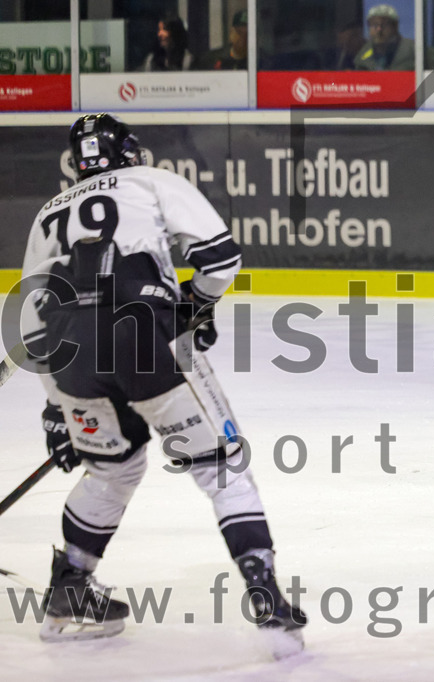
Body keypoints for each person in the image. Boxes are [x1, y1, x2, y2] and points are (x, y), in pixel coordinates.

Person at [22, 114, 306, 654]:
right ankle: (265, 597)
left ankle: (71, 587)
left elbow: (33, 324)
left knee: (111, 470)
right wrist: (193, 308)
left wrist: (57, 409)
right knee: (221, 468)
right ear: (128, 151)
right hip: (142, 336)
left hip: (72, 357)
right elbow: (221, 259)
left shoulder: (46, 215)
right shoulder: (152, 181)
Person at [354, 4, 434, 71]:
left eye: (384, 24)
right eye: (374, 25)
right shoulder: (363, 53)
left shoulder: (416, 50)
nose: (379, 29)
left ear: (395, 26)